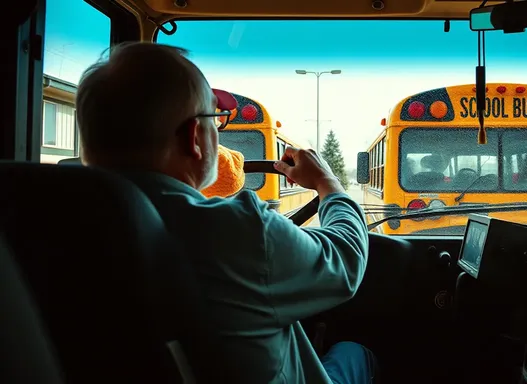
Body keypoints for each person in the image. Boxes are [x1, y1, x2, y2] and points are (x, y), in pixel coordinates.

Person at [75, 42, 376, 384]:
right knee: (354, 354)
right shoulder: (237, 229)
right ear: (194, 137)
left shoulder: (52, 223)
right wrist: (328, 183)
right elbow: (345, 262)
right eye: (214, 120)